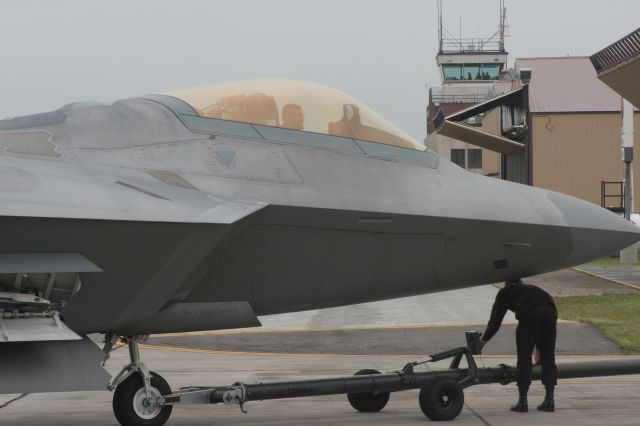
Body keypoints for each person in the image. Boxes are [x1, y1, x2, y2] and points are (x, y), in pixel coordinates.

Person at [480, 278, 558, 413]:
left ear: (507, 284)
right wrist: (539, 347)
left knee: (524, 358)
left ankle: (523, 402)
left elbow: (495, 321)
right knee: (548, 357)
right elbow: (541, 310)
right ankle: (549, 401)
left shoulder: (505, 292)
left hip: (530, 313)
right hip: (551, 310)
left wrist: (483, 341)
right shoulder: (531, 289)